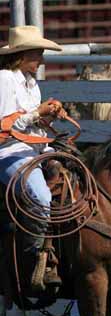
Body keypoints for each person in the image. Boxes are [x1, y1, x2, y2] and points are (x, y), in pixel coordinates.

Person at [0, 25, 63, 289]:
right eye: (37, 54)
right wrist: (38, 113)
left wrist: (49, 114)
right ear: (22, 55)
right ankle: (34, 256)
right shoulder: (4, 78)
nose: (42, 59)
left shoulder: (32, 84)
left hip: (34, 149)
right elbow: (5, 125)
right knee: (41, 195)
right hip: (8, 151)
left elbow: (31, 125)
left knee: (73, 170)